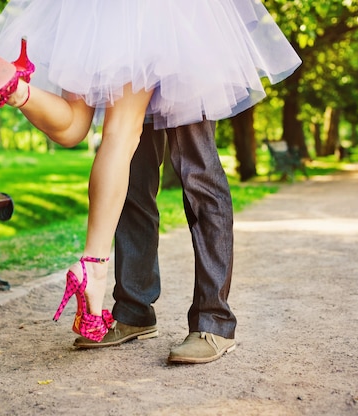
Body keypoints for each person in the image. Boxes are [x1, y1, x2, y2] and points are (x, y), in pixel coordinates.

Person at [0, 0, 301, 343]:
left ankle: (213, 322)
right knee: (132, 166)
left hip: (132, 18)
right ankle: (133, 311)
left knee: (192, 169)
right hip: (157, 16)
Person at [74, 120, 237, 364]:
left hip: (185, 81)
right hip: (136, 81)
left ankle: (213, 320)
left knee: (197, 170)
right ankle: (134, 311)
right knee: (130, 175)